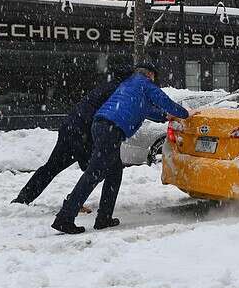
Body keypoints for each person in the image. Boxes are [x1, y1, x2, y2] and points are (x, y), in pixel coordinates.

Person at [51, 63, 190, 234]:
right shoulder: (144, 83)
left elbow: (146, 110)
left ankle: (104, 217)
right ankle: (65, 217)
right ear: (150, 75)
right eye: (154, 77)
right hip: (111, 129)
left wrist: (166, 117)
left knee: (115, 172)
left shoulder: (129, 86)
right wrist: (186, 114)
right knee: (93, 174)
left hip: (102, 125)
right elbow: (164, 101)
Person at [11, 66, 133, 206]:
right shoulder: (118, 92)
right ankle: (73, 203)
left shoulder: (107, 87)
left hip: (70, 127)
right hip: (84, 132)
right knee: (98, 169)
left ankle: (23, 198)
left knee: (52, 167)